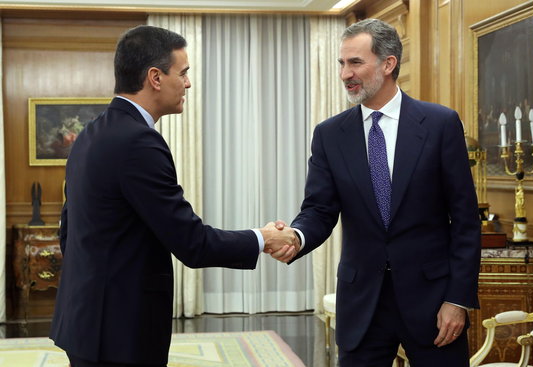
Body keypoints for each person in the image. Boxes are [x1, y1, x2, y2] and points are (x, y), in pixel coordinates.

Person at [50, 25, 297, 367]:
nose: (188, 84)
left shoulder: (93, 132)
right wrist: (264, 237)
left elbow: (68, 226)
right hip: (120, 332)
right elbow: (191, 242)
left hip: (86, 322)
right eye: (183, 73)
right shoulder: (138, 143)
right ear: (155, 77)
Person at [271, 19, 481, 366]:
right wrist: (296, 235)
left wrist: (457, 299)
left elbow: (464, 220)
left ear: (388, 64)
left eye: (355, 63)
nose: (344, 73)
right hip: (362, 305)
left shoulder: (441, 124)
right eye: (342, 63)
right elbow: (320, 209)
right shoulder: (330, 134)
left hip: (433, 304)